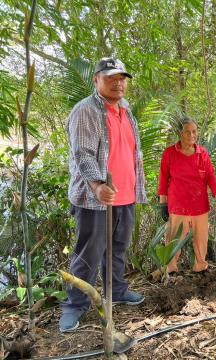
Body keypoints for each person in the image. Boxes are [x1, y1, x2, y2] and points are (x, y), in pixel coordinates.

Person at [60, 58, 147, 332]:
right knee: (88, 253)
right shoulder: (85, 110)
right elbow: (82, 153)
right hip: (95, 199)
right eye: (111, 77)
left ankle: (117, 291)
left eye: (121, 77)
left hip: (125, 195)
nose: (118, 82)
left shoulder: (125, 109)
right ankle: (75, 306)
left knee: (118, 249)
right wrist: (97, 185)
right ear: (96, 80)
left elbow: (132, 152)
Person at [157, 118, 216, 274]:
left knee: (201, 240)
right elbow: (163, 179)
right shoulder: (169, 153)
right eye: (187, 131)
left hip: (200, 206)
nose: (191, 135)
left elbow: (210, 176)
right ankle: (170, 269)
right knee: (174, 239)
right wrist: (163, 203)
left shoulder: (202, 154)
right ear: (180, 133)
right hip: (177, 206)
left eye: (194, 131)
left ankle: (200, 267)